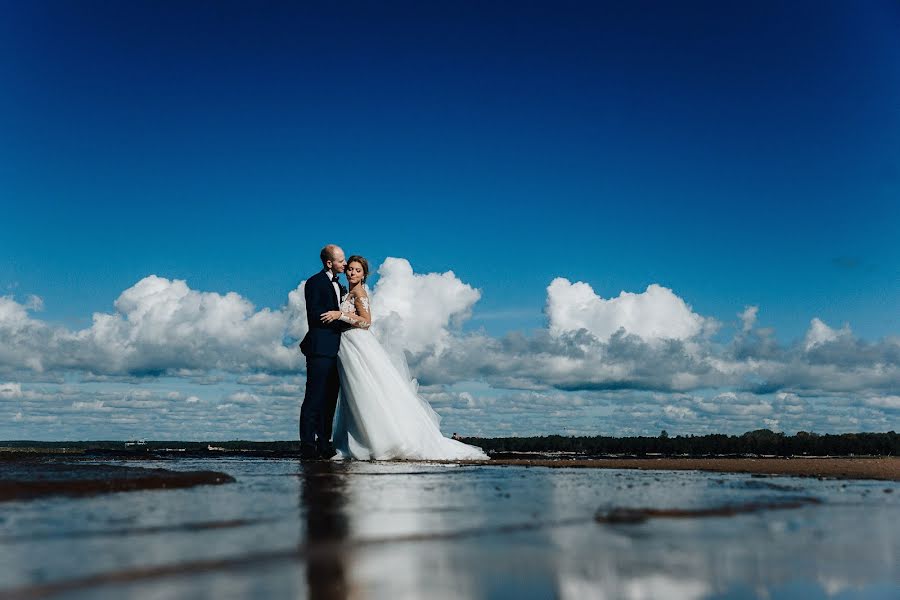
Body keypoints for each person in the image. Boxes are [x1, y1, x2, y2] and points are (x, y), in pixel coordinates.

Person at [320, 255, 489, 461]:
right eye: (350, 269)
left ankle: (381, 440)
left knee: (368, 390)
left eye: (358, 270)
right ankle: (359, 440)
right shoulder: (348, 293)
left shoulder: (359, 292)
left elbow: (366, 322)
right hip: (348, 345)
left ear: (364, 274)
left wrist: (340, 315)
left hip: (358, 343)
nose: (353, 273)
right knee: (355, 393)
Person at [298, 244, 350, 459]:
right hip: (320, 349)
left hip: (340, 350)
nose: (345, 264)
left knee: (330, 400)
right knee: (314, 397)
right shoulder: (314, 283)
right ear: (329, 263)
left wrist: (342, 315)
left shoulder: (342, 286)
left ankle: (324, 443)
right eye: (341, 260)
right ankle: (308, 446)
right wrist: (339, 315)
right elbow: (316, 315)